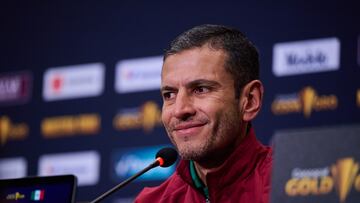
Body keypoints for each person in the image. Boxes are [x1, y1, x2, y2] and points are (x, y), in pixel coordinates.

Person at [135, 24, 272, 203]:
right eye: (169, 94)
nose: (180, 110)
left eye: (200, 89)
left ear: (250, 101)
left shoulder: (294, 184)